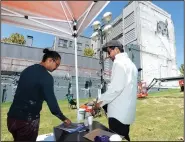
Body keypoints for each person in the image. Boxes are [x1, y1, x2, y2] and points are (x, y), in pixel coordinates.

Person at [7, 48, 71, 141]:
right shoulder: (46, 77)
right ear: (50, 60)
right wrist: (64, 119)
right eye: (56, 65)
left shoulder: (27, 70)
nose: (56, 68)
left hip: (11, 119)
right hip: (27, 122)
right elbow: (53, 106)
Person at [95, 40, 138, 141]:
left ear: (117, 50)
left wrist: (99, 102)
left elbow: (115, 89)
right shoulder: (132, 65)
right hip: (127, 113)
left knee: (116, 138)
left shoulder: (119, 63)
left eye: (109, 52)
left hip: (118, 115)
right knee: (123, 137)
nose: (109, 56)